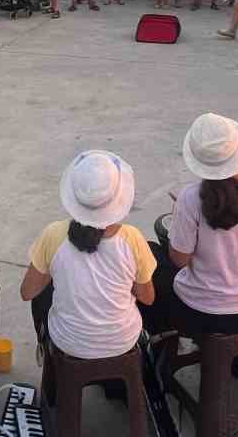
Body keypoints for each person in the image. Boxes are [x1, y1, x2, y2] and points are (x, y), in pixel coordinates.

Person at [142, 114, 238, 342]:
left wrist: (184, 219)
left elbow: (180, 259)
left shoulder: (189, 198)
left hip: (202, 313)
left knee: (151, 261)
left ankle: (162, 349)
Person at [20, 150, 154, 360]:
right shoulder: (132, 238)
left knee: (45, 292)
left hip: (68, 341)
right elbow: (148, 297)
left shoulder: (54, 234)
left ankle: (50, 360)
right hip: (122, 341)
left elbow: (27, 292)